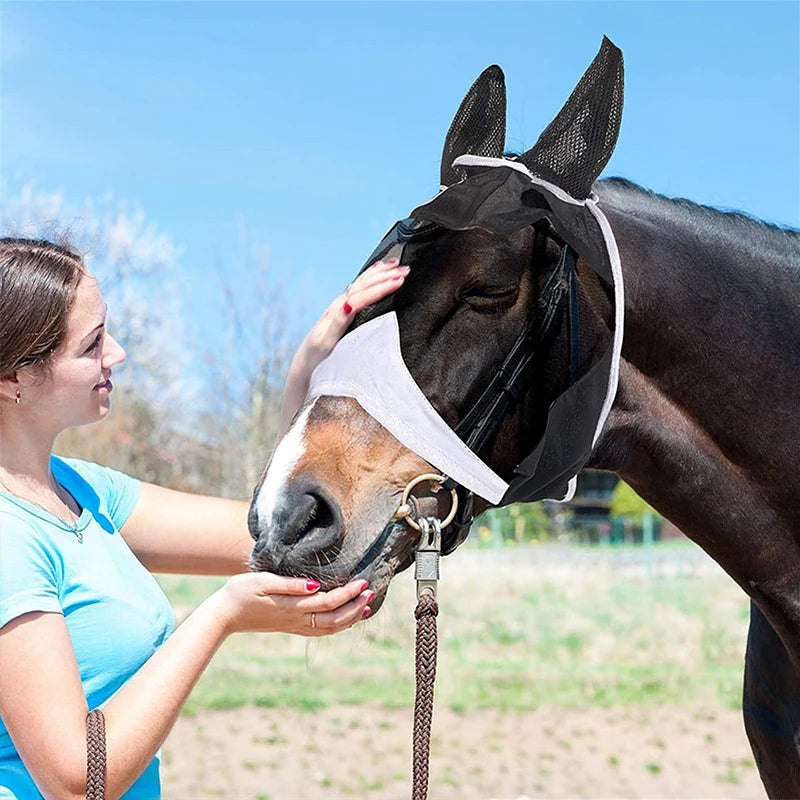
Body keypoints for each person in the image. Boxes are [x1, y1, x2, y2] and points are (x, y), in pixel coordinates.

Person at [0, 237, 410, 800]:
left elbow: (271, 531)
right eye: (92, 344)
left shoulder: (80, 490)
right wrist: (220, 617)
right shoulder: (7, 538)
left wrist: (313, 358)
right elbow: (78, 782)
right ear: (12, 379)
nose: (116, 353)